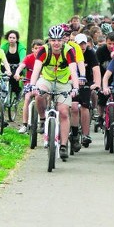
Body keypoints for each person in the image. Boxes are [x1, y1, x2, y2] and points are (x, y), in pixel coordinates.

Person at [29, 25, 80, 161]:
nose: (56, 43)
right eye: (53, 40)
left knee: (63, 112)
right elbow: (36, 70)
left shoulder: (69, 51)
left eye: (59, 40)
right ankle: (42, 119)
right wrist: (32, 85)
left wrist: (75, 88)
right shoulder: (43, 50)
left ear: (63, 40)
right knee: (39, 94)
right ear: (49, 41)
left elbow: (74, 72)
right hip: (47, 79)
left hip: (64, 82)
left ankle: (63, 145)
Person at [71, 33, 101, 150]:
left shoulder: (90, 53)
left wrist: (97, 83)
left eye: (84, 44)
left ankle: (85, 134)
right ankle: (72, 132)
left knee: (84, 106)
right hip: (71, 82)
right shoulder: (70, 53)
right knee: (72, 107)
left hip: (86, 83)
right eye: (80, 44)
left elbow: (96, 70)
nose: (82, 46)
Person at [13, 39, 45, 133]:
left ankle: (45, 120)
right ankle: (25, 124)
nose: (38, 50)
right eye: (36, 48)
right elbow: (21, 66)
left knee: (45, 98)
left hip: (43, 83)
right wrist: (17, 73)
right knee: (27, 99)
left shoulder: (46, 58)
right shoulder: (29, 57)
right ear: (32, 49)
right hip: (29, 82)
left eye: (40, 48)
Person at [1, 30, 26, 98]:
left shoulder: (21, 47)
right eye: (10, 37)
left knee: (14, 77)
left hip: (17, 67)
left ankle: (17, 91)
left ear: (16, 39)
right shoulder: (4, 46)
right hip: (6, 66)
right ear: (8, 38)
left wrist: (20, 64)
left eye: (13, 38)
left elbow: (23, 59)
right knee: (2, 76)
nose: (11, 39)